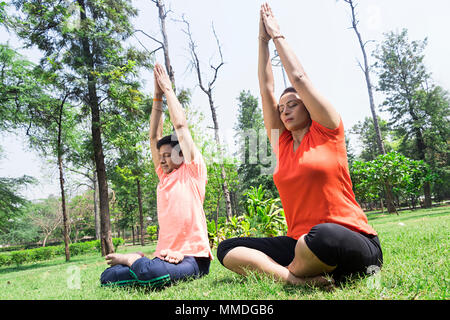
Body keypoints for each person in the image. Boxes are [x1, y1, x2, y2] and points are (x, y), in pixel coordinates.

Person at [217, 3, 383, 287]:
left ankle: (288, 270)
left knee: (320, 237)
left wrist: (276, 35)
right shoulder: (280, 144)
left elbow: (300, 78)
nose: (284, 111)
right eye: (282, 108)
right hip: (300, 243)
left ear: (308, 106)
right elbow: (266, 88)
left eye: (292, 104)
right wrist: (261, 41)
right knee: (228, 249)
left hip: (350, 239)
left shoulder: (328, 130)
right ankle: (296, 280)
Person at [100, 63, 213, 288]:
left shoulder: (192, 172)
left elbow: (180, 125)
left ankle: (134, 260)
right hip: (164, 256)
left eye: (168, 155)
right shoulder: (164, 177)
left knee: (154, 275)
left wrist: (168, 90)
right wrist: (156, 97)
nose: (161, 160)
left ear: (181, 155)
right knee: (107, 278)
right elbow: (154, 137)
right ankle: (141, 264)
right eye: (159, 156)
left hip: (193, 258)